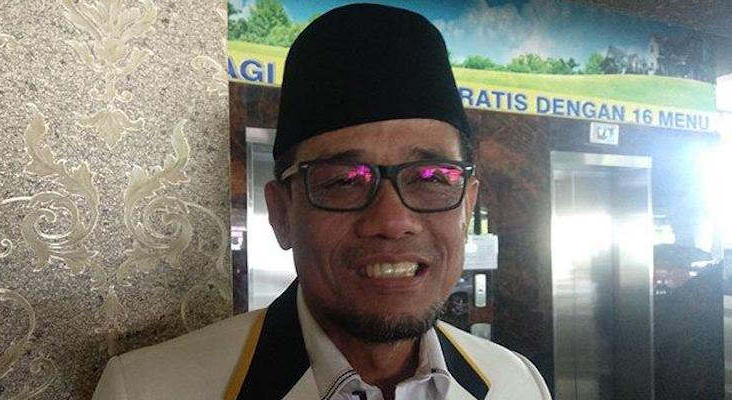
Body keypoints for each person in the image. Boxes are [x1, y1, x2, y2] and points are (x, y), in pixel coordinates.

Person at [92, 4, 551, 400]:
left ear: (467, 206)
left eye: (431, 177)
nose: (392, 220)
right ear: (281, 214)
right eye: (344, 180)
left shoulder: (516, 383)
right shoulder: (149, 388)